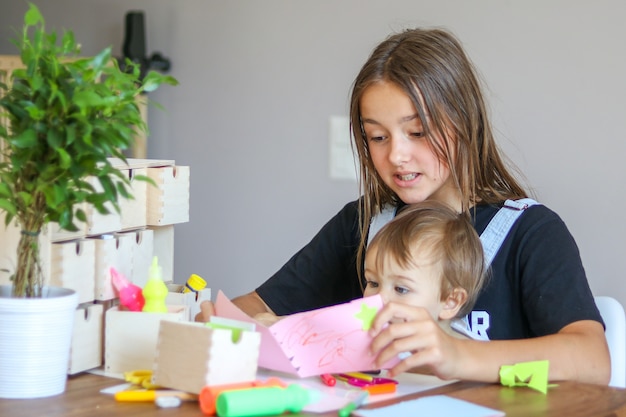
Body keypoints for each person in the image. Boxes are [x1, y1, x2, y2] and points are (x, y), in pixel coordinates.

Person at [198, 27, 610, 384]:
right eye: (377, 137)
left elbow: (592, 360)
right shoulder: (361, 225)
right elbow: (256, 308)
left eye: (417, 131)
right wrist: (227, 327)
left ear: (464, 121)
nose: (396, 155)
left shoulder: (530, 232)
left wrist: (455, 355)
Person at [362, 200, 487, 341]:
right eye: (373, 283)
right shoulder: (365, 335)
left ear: (450, 302)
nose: (378, 298)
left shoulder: (465, 357)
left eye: (401, 289)